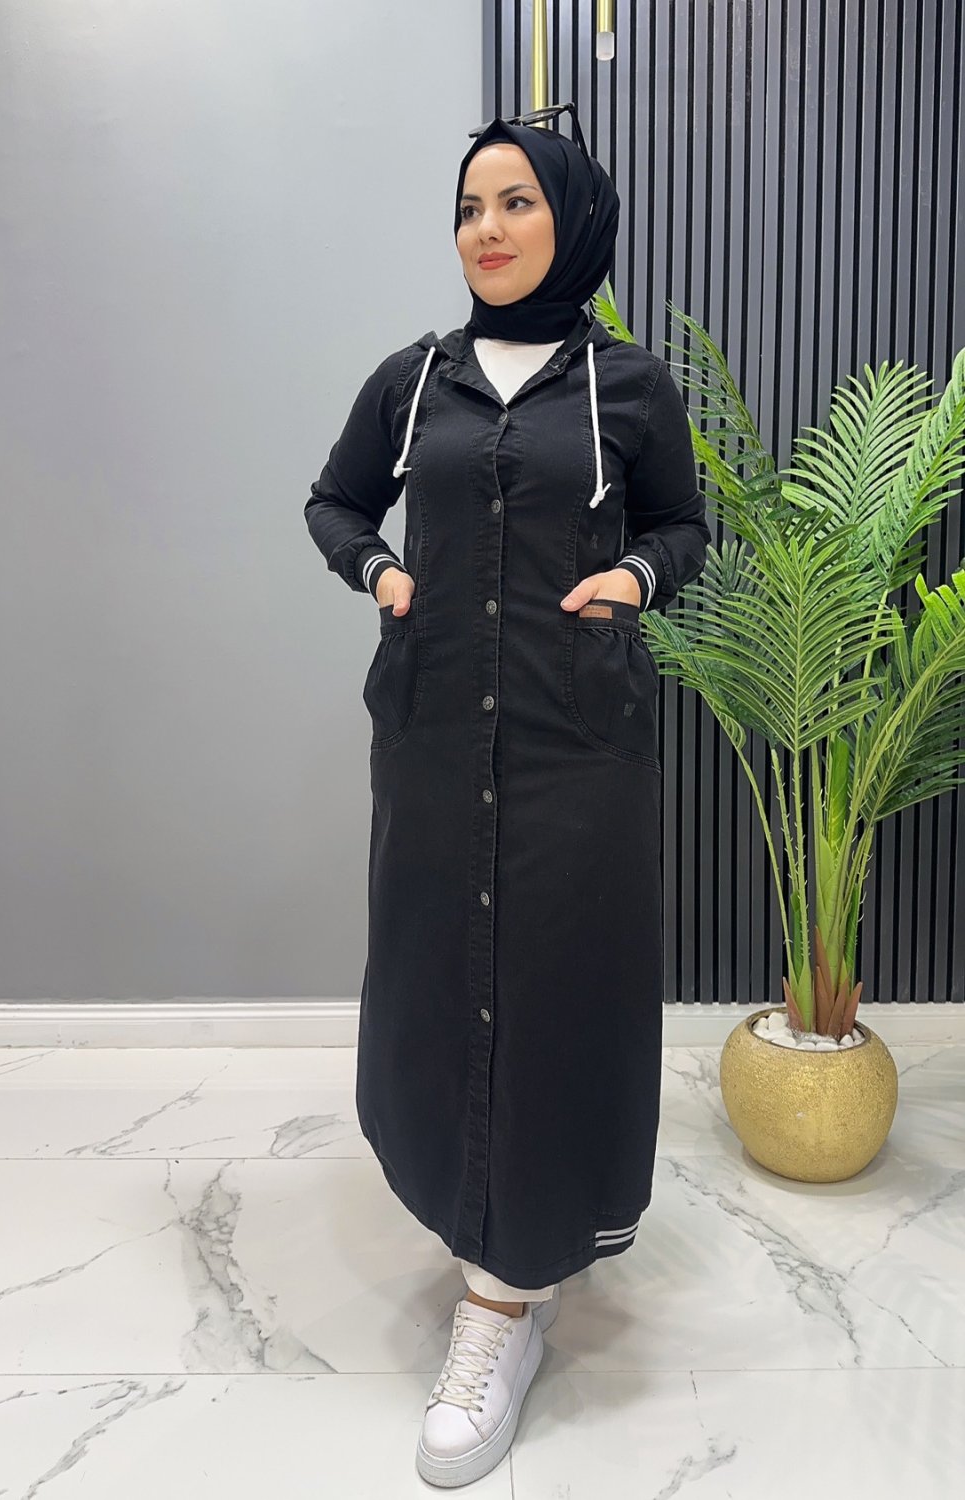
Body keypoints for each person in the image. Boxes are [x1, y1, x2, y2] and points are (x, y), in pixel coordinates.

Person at [304, 112, 711, 1488]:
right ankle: (481, 1238)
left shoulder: (628, 388)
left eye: (517, 201)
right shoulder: (413, 381)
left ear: (574, 220)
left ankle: (507, 1296)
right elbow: (335, 503)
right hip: (432, 734)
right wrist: (379, 574)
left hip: (576, 737)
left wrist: (638, 578)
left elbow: (682, 527)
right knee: (439, 983)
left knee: (555, 995)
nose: (486, 228)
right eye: (469, 206)